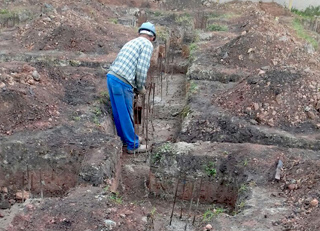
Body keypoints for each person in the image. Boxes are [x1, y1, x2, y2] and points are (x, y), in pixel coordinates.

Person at [106, 22, 156, 154]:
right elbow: (141, 68)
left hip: (112, 77)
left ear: (140, 33)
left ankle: (127, 138)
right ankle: (132, 145)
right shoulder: (147, 44)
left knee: (119, 112)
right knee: (127, 114)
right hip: (122, 81)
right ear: (152, 37)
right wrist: (140, 87)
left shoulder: (132, 42)